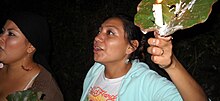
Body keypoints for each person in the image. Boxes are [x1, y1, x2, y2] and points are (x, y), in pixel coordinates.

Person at [80, 14, 208, 101]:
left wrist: (172, 65)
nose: (97, 38)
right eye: (99, 31)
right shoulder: (96, 70)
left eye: (110, 33)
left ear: (131, 46)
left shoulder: (146, 82)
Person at [0, 11, 64, 101]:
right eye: (2, 31)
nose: (1, 37)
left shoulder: (43, 92)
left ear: (31, 47)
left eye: (11, 34)